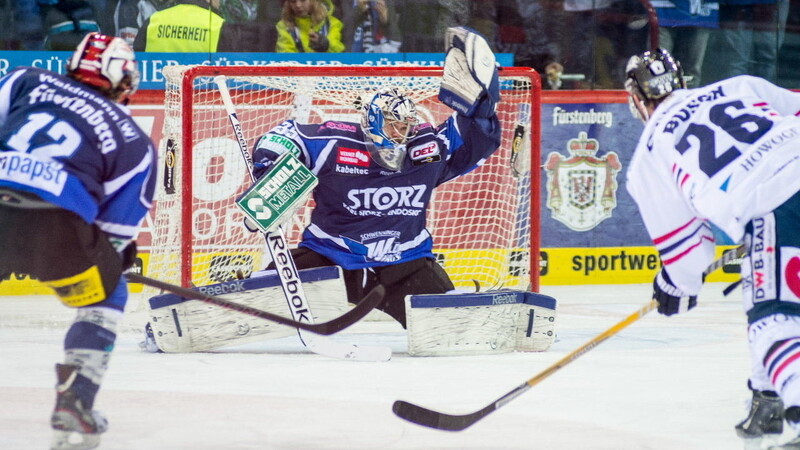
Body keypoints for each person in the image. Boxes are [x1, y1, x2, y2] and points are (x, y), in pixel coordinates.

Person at [251, 26, 500, 328]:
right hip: (331, 260)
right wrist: (271, 171)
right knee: (259, 301)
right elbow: (284, 135)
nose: (401, 134)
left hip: (406, 265)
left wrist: (481, 106)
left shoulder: (425, 151)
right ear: (372, 123)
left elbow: (477, 137)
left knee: (450, 329)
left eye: (406, 126)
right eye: (393, 125)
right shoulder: (336, 143)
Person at [624, 47, 800, 448]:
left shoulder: (649, 154)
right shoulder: (739, 85)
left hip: (776, 206)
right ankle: (766, 399)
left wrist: (676, 289)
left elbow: (688, 254)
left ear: (636, 99)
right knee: (770, 294)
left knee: (775, 324)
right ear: (681, 79)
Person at [0, 32, 156, 449]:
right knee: (109, 295)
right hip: (58, 229)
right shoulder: (134, 140)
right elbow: (116, 233)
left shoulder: (22, 80)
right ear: (123, 80)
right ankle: (76, 399)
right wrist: (114, 258)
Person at [654, 0, 719, 87]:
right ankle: (661, 100)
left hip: (701, 13)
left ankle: (689, 99)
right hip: (661, 10)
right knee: (659, 68)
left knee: (691, 72)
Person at [133, 0, 237, 52]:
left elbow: (137, 62)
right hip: (202, 92)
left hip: (155, 91)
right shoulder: (219, 25)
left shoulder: (153, 20)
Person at [275, 0, 345, 53]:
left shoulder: (332, 23)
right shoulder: (284, 26)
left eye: (303, 0)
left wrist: (326, 45)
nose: (298, 5)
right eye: (293, 1)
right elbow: (285, 58)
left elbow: (340, 53)